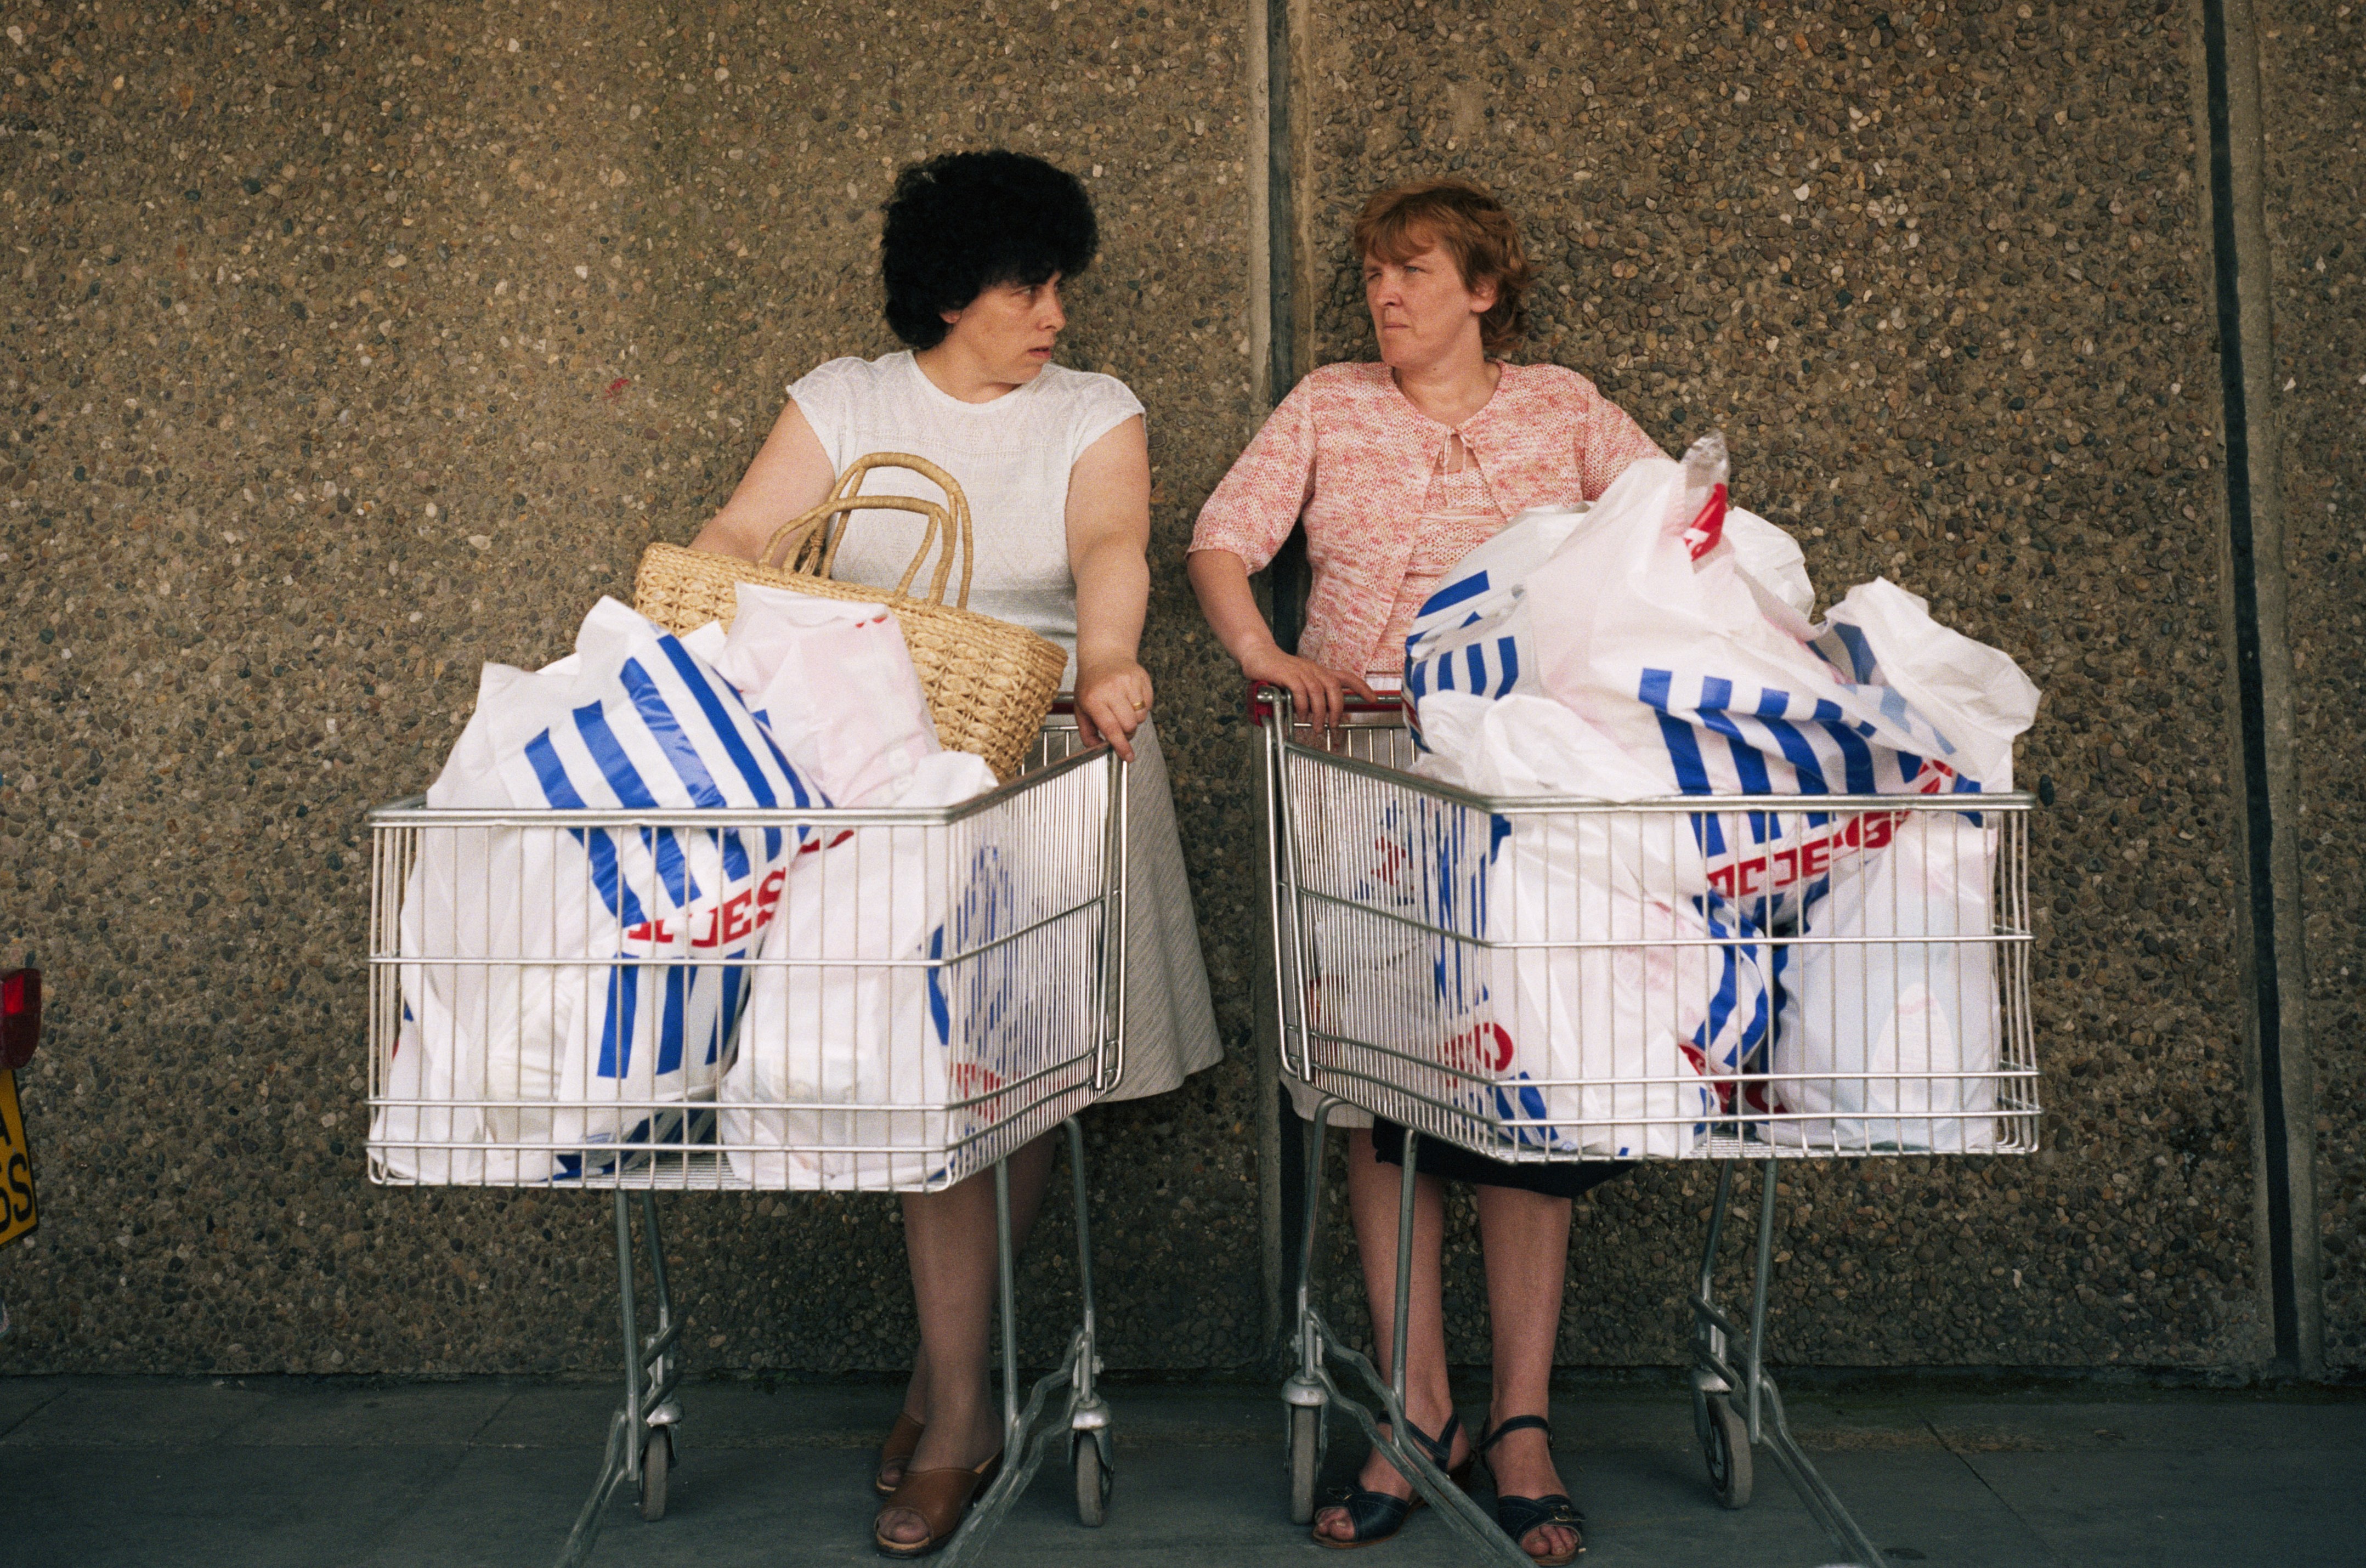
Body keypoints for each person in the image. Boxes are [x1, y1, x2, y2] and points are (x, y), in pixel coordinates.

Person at [691, 149, 1221, 1559]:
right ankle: (960, 1387)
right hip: (881, 785)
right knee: (929, 1089)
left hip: (1049, 762)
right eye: (1027, 283)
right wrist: (686, 619)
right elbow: (745, 532)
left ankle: (954, 1400)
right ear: (947, 288)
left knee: (1014, 1086)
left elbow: (1113, 543)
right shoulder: (846, 400)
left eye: (1061, 283)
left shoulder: (1094, 410)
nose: (1054, 310)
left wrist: (1106, 657)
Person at [1187, 177, 1665, 1564]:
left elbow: (1672, 529)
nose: (1385, 296)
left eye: (1412, 272)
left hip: (1531, 787)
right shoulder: (1330, 403)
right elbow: (1223, 535)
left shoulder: (1567, 406)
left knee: (1533, 1085)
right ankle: (1414, 1406)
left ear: (1484, 287)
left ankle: (1521, 1420)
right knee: (1381, 1089)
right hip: (1368, 774)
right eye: (1373, 275)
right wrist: (1264, 654)